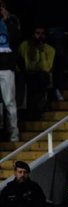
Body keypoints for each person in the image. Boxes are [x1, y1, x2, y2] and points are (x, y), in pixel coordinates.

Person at [17, 26, 55, 119]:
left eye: (42, 34)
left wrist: (41, 51)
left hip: (41, 75)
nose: (40, 36)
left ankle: (38, 111)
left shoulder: (50, 49)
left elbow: (47, 67)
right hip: (27, 74)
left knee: (40, 79)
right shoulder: (24, 46)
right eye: (37, 33)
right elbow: (18, 61)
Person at [0, 1, 20, 142]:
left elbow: (17, 38)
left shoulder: (11, 22)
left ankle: (14, 134)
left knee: (9, 102)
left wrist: (6, 20)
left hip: (6, 68)